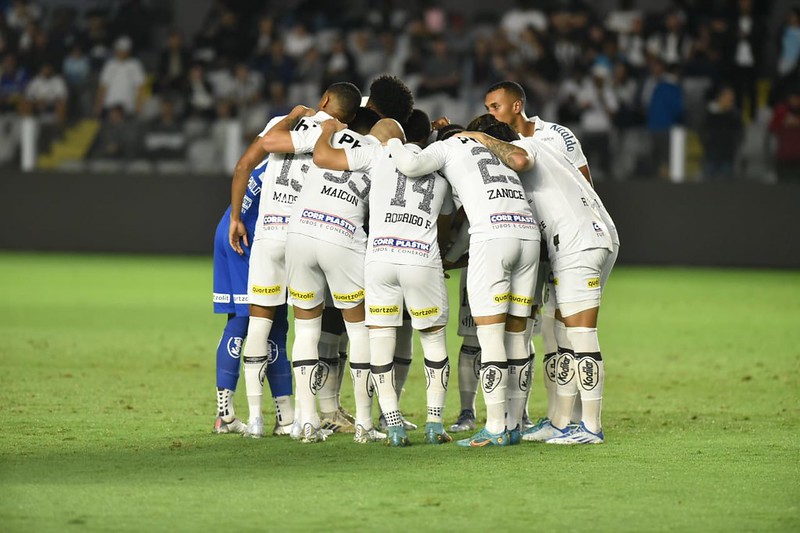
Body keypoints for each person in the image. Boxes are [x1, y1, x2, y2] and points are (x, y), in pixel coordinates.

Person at [459, 117, 618, 444]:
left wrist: (475, 136)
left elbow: (517, 157)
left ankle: (590, 427)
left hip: (578, 245)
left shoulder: (526, 147)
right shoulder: (547, 153)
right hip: (588, 238)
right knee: (557, 331)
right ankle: (560, 422)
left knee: (581, 335)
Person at [388, 121, 540, 448]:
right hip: (528, 235)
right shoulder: (489, 147)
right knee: (517, 335)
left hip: (492, 236)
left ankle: (496, 427)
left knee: (489, 334)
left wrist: (392, 141)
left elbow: (411, 165)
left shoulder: (448, 146)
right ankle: (514, 424)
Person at [228, 82, 362, 438]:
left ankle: (255, 419)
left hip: (268, 235)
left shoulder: (280, 123)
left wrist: (237, 218)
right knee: (307, 329)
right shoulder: (340, 138)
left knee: (259, 325)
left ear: (325, 100)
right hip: (303, 236)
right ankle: (307, 419)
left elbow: (244, 165)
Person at [313, 112, 455, 447]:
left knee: (381, 341)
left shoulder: (379, 159)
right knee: (433, 342)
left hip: (379, 259)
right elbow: (446, 225)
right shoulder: (442, 175)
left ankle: (392, 425)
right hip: (421, 258)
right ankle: (435, 423)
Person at [282, 114, 378, 444]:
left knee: (306, 329)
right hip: (342, 235)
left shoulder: (330, 136)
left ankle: (306, 422)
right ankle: (365, 424)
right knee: (359, 329)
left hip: (299, 233)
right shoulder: (378, 150)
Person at [212, 160, 293, 436]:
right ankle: (285, 416)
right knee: (273, 322)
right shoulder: (306, 155)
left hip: (229, 226)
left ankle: (225, 415)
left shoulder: (270, 151)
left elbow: (241, 168)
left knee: (238, 319)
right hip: (250, 237)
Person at [94, 36, 145, 117]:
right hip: (110, 107)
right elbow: (103, 86)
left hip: (128, 107)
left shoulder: (135, 65)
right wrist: (98, 105)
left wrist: (139, 105)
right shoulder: (110, 65)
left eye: (122, 50)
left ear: (128, 51)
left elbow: (140, 86)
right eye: (119, 49)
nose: (120, 52)